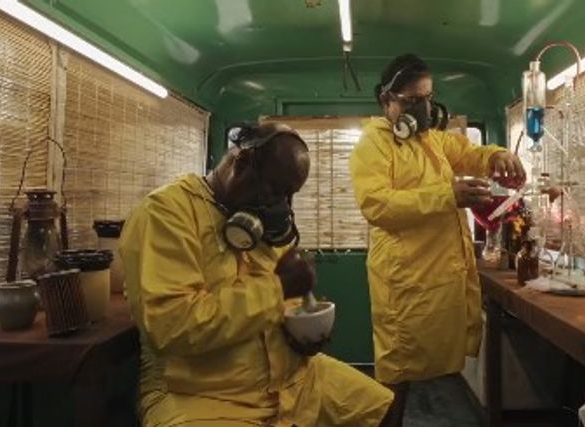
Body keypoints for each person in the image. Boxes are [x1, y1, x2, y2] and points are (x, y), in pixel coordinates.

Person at [120, 123, 395, 427]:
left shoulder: (263, 224)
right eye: (276, 190)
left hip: (291, 381)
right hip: (202, 396)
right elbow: (172, 326)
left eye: (290, 195)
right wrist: (278, 289)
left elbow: (284, 306)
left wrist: (300, 336)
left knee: (384, 409)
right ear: (241, 163)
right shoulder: (165, 213)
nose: (282, 206)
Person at [349, 54, 526, 423]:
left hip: (436, 275)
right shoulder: (373, 144)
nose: (425, 109)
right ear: (387, 101)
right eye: (413, 100)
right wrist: (448, 196)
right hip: (404, 279)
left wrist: (497, 155)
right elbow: (377, 205)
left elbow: (470, 153)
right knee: (396, 373)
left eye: (429, 98)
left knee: (434, 369)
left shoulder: (431, 140)